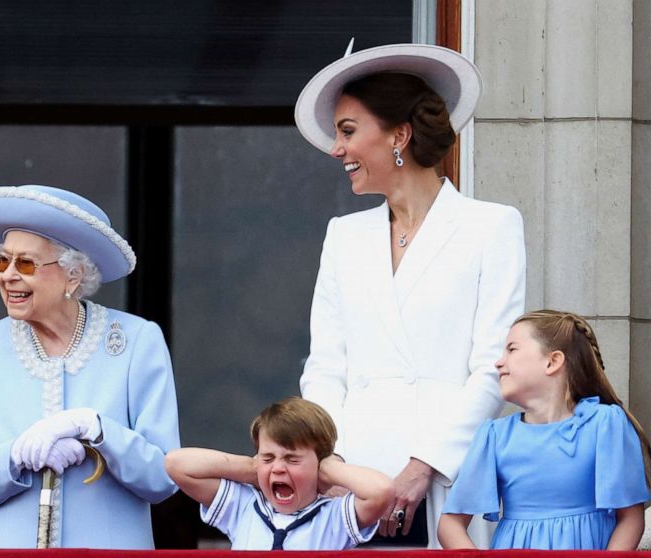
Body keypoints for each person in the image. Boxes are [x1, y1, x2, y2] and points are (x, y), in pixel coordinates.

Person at [294, 43, 527, 548]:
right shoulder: (343, 234)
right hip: (351, 484)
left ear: (399, 134)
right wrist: (331, 463)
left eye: (348, 131)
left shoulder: (491, 227)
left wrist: (426, 465)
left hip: (448, 477)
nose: (337, 150)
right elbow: (325, 367)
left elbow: (493, 366)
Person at [0, 185, 180, 548]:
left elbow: (163, 478)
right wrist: (15, 456)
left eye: (26, 264)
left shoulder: (136, 341)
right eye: (2, 261)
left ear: (74, 275)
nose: (7, 275)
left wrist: (98, 431)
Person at [438, 310, 650, 550]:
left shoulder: (605, 423)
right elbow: (450, 524)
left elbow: (630, 518)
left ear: (552, 361)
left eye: (512, 349)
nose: (498, 362)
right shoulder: (495, 436)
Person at [165, 397, 392, 550]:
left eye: (292, 459)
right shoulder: (243, 506)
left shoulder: (333, 517)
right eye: (268, 457)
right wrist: (251, 470)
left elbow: (382, 491)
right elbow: (176, 464)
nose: (278, 468)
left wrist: (328, 469)